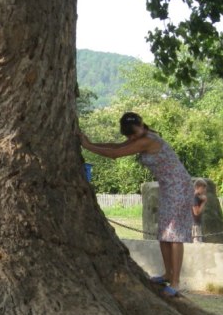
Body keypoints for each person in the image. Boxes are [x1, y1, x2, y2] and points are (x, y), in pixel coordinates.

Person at [79, 111, 194, 297]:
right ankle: (167, 273)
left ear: (141, 126)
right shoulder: (139, 137)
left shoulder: (148, 139)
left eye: (133, 133)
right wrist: (89, 143)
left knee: (174, 235)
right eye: (129, 135)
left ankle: (176, 281)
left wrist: (87, 146)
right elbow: (115, 146)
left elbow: (115, 154)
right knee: (164, 233)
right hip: (168, 187)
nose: (131, 138)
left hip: (179, 186)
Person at [192, 179, 208, 243]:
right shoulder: (194, 197)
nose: (204, 190)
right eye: (203, 188)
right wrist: (204, 202)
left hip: (196, 224)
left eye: (205, 188)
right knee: (197, 243)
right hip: (194, 225)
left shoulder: (197, 197)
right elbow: (196, 212)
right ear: (197, 187)